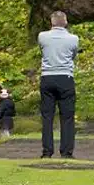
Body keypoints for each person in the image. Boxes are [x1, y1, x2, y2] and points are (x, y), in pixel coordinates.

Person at [37, 11, 80, 159]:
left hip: (47, 77)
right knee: (67, 116)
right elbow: (74, 55)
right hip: (65, 77)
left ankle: (47, 151)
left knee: (47, 116)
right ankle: (66, 151)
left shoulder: (42, 37)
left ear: (52, 22)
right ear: (65, 22)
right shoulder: (73, 39)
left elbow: (42, 52)